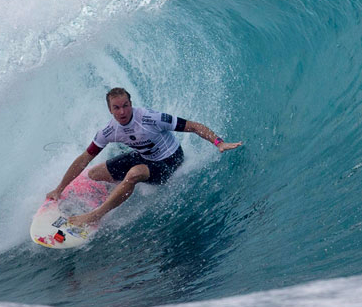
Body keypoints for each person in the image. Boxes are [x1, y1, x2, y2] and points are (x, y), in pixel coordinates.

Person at [46, 87, 242, 227]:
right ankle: (116, 193)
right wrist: (59, 189)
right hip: (144, 157)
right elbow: (84, 158)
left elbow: (193, 126)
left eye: (125, 105)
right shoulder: (109, 131)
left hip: (170, 161)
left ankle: (96, 215)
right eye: (116, 107)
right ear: (110, 110)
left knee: (133, 174)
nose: (122, 111)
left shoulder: (150, 118)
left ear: (131, 104)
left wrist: (219, 142)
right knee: (95, 173)